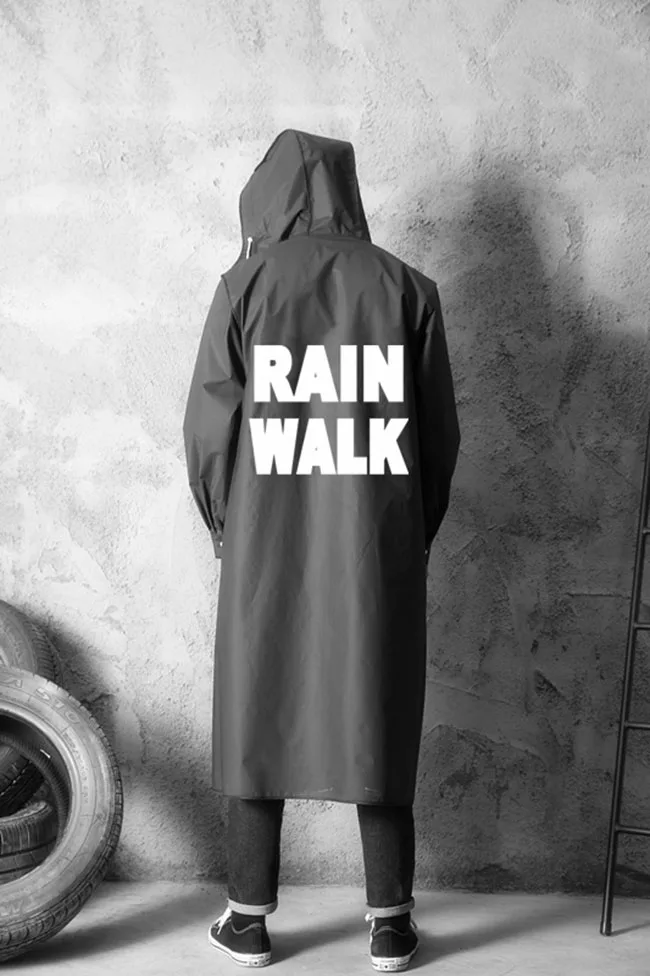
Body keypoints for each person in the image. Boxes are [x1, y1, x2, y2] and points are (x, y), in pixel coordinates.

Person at [182, 129, 460, 971]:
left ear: (270, 198)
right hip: (377, 548)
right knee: (377, 711)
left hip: (264, 542)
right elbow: (438, 438)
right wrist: (411, 534)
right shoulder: (410, 289)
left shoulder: (245, 285)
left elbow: (208, 428)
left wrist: (227, 523)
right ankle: (390, 923)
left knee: (257, 711)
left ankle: (248, 920)